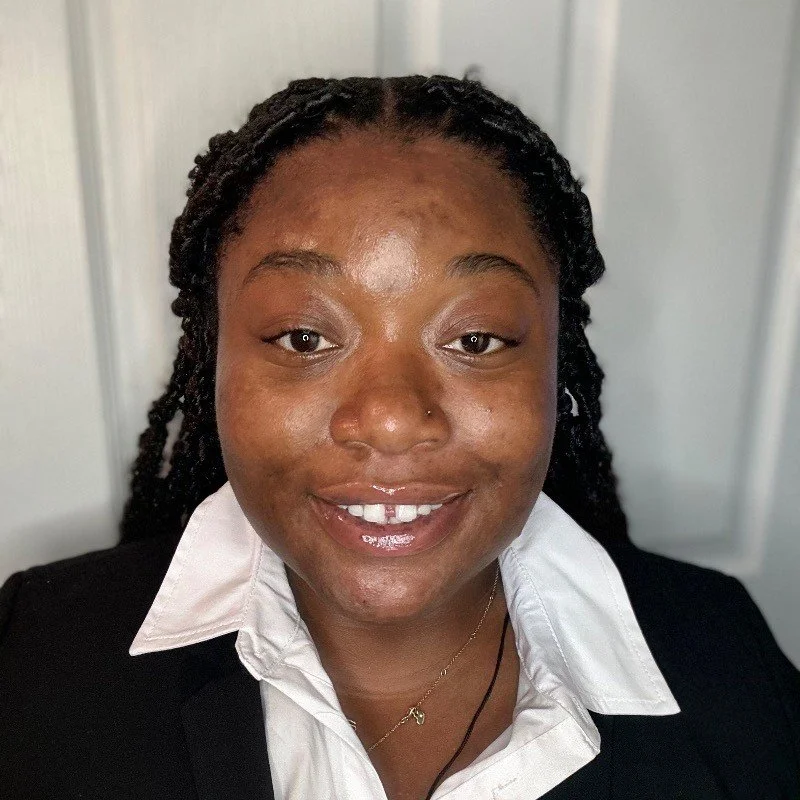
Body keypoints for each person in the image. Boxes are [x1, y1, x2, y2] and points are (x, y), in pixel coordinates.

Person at [0, 75, 798, 800]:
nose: (389, 417)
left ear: (558, 364)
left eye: (476, 340)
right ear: (214, 361)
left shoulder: (726, 658)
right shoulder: (35, 659)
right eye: (304, 338)